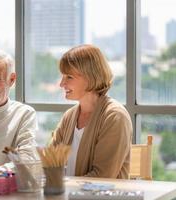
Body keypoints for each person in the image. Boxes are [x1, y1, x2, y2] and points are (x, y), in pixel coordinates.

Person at [51, 44, 132, 179]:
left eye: (69, 77)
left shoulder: (115, 117)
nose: (61, 84)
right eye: (62, 76)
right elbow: (50, 162)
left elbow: (102, 176)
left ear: (90, 77)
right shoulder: (69, 116)